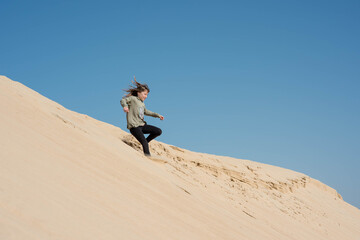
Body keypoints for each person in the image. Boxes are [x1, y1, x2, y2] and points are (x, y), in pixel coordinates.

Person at [120, 77, 164, 157]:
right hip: (134, 127)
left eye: (147, 95)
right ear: (139, 93)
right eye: (145, 94)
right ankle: (148, 158)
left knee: (158, 131)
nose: (146, 96)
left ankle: (145, 142)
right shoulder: (133, 99)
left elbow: (146, 112)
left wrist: (158, 115)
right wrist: (125, 106)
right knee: (144, 143)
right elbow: (123, 100)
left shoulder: (142, 103)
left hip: (142, 125)